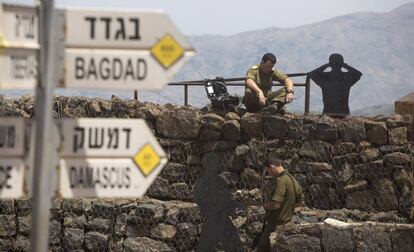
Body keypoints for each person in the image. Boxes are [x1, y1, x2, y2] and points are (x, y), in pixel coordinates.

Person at [193, 153, 243, 252]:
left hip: (221, 218)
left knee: (234, 245)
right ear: (208, 165)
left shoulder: (220, 181)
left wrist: (231, 208)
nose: (218, 166)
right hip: (213, 219)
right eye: (215, 163)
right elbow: (204, 202)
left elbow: (227, 198)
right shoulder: (202, 184)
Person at [255, 157, 305, 252]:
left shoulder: (281, 181)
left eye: (268, 171)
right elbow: (301, 201)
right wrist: (289, 210)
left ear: (272, 167)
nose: (269, 174)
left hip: (275, 225)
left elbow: (276, 205)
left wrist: (266, 206)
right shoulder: (292, 179)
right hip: (287, 223)